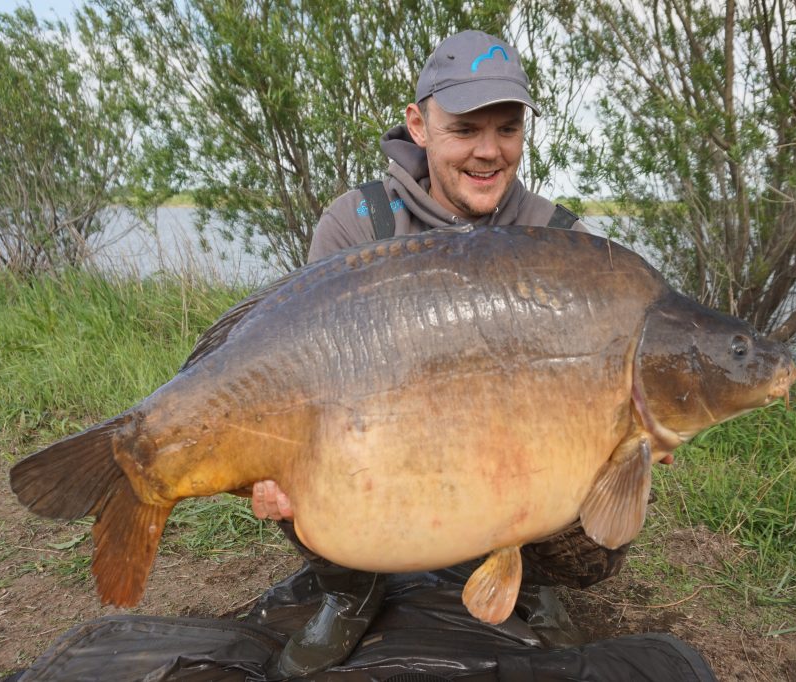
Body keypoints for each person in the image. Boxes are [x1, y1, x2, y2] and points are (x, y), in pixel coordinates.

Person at [251, 30, 634, 678]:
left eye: (507, 129)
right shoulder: (356, 226)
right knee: (292, 451)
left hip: (521, 459)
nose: (490, 152)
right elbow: (304, 369)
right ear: (419, 124)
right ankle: (352, 590)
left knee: (606, 469)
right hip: (393, 445)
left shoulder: (563, 242)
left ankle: (534, 585)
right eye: (465, 129)